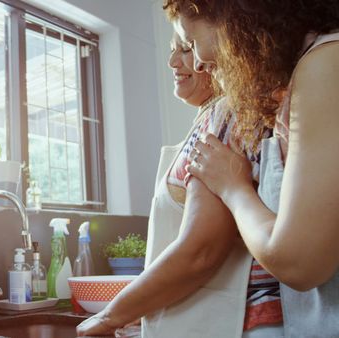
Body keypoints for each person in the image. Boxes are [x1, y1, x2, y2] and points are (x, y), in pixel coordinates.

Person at [77, 25, 276, 337]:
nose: (173, 60)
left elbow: (200, 252)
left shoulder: (223, 117)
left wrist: (110, 316)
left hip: (237, 325)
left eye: (187, 47)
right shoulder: (210, 120)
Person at [177, 1, 339, 337]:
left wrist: (233, 189)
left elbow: (299, 262)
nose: (198, 62)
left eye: (192, 42)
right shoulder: (308, 77)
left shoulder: (326, 63)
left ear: (233, 16)